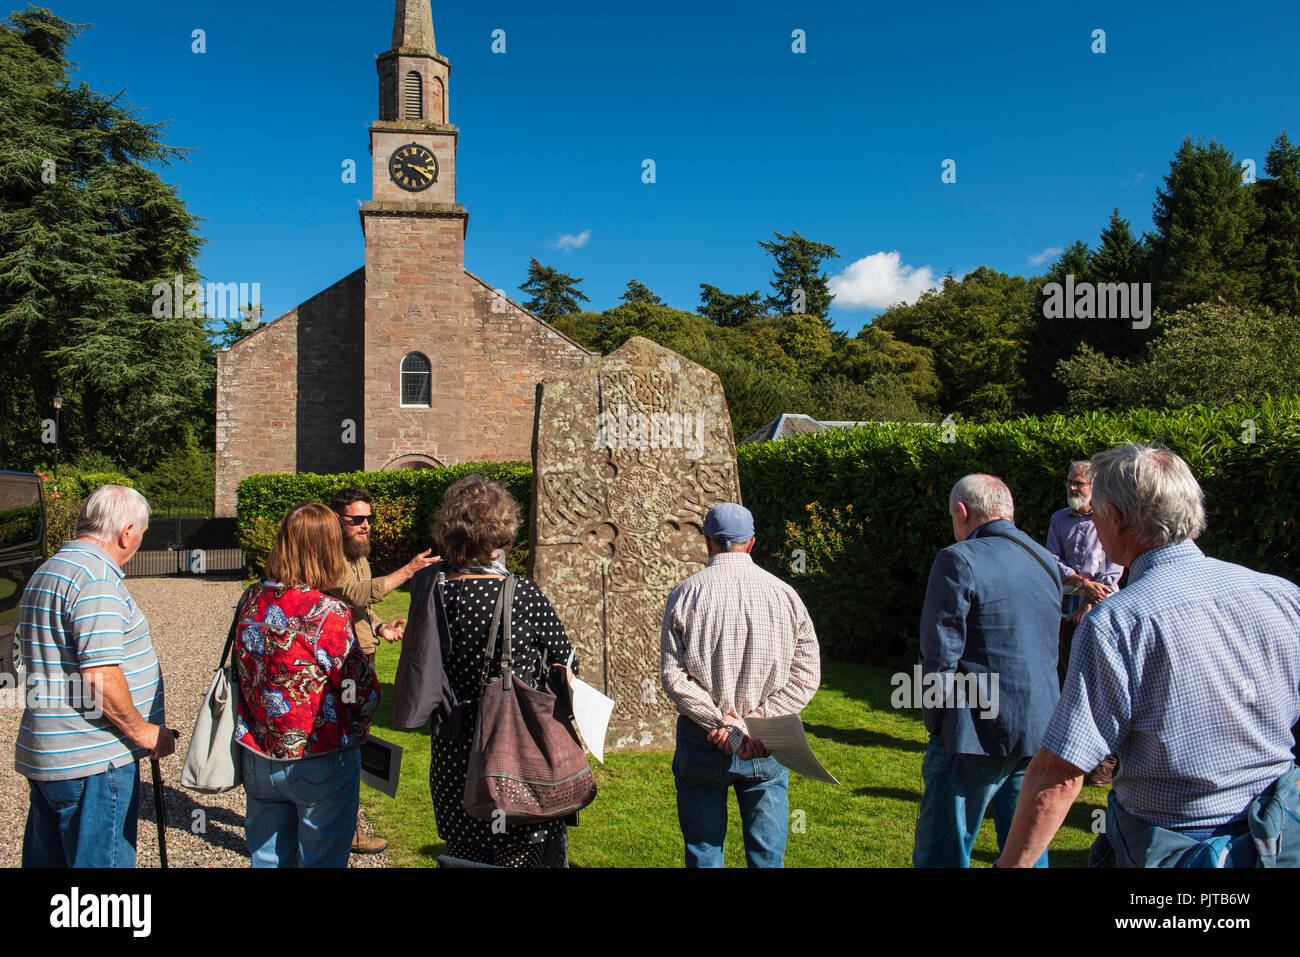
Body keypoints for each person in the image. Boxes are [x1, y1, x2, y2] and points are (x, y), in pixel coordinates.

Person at [997, 444, 1300, 868]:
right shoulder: (1281, 594)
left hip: (1174, 847)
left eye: (1097, 512)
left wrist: (1011, 865)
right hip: (1280, 835)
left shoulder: (1116, 623)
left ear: (1116, 520)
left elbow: (1059, 775)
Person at [422, 475, 577, 868]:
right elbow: (566, 660)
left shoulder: (433, 590)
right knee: (524, 855)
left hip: (456, 750)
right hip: (515, 748)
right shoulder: (520, 592)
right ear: (502, 529)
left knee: (468, 855)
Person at [16, 484, 175, 868]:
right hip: (94, 759)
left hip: (51, 753)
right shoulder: (96, 578)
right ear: (127, 533)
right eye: (142, 531)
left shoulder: (48, 569)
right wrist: (145, 732)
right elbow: (101, 675)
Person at [660, 502, 821, 868]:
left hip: (703, 740)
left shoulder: (685, 594)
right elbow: (807, 674)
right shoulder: (785, 595)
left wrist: (724, 725)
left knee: (704, 855)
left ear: (707, 542)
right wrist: (753, 726)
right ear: (751, 543)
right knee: (766, 859)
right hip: (766, 744)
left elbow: (674, 676)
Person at [912, 475, 1061, 868]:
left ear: (962, 512)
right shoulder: (1045, 560)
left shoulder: (958, 558)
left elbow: (939, 654)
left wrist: (936, 722)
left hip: (971, 731)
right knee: (1026, 851)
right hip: (1039, 727)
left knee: (943, 850)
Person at [234, 502, 380, 868]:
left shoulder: (251, 599)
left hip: (259, 753)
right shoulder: (326, 611)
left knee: (267, 861)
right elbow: (362, 691)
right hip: (318, 756)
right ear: (328, 548)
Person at [324, 486, 437, 854]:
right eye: (356, 519)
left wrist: (379, 627)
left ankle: (342, 824)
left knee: (354, 740)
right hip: (342, 665)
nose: (366, 525)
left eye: (368, 518)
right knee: (344, 744)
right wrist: (409, 570)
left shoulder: (359, 554)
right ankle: (345, 829)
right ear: (336, 519)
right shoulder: (329, 555)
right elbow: (355, 593)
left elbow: (362, 607)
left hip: (362, 659)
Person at [1045, 460, 1124, 786]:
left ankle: (1105, 762)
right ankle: (1068, 752)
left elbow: (1114, 566)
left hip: (1101, 610)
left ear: (1094, 487)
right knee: (1065, 678)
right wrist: (1080, 584)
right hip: (1065, 608)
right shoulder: (1059, 519)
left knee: (1100, 685)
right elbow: (1052, 559)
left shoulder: (1107, 519)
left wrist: (1091, 601)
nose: (1073, 488)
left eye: (1079, 483)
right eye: (1070, 482)